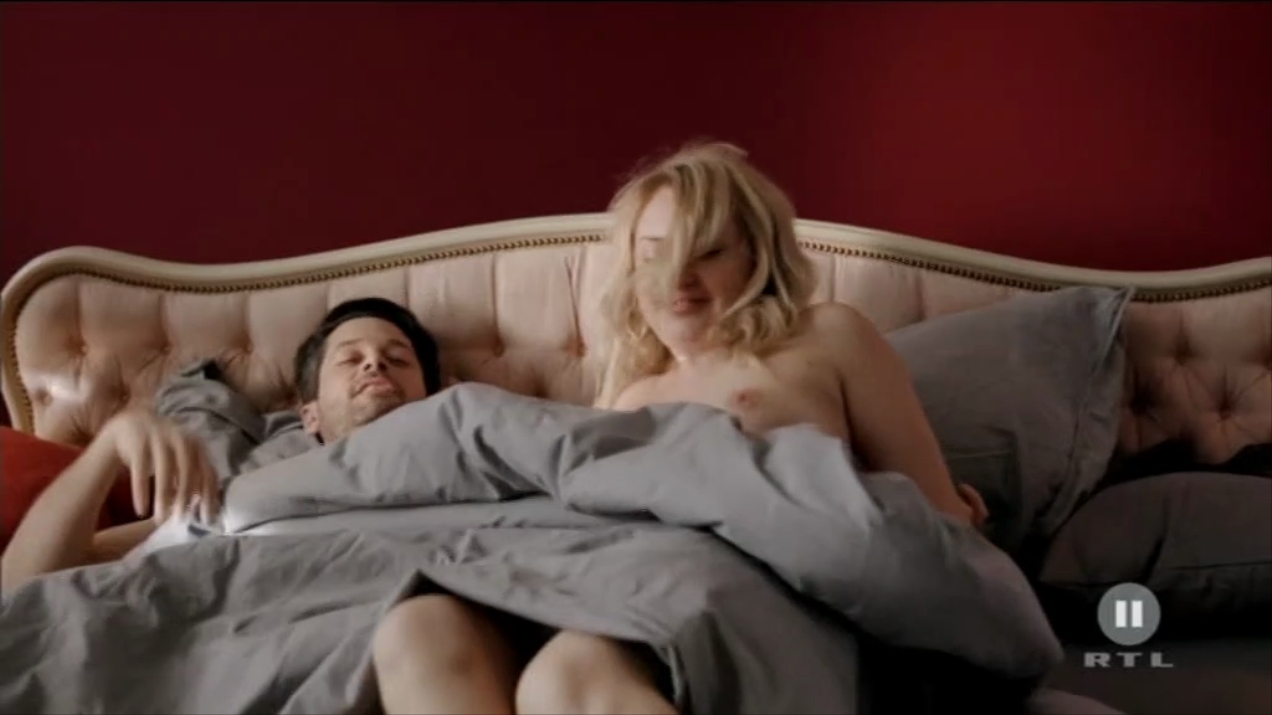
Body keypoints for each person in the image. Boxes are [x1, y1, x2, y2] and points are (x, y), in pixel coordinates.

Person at [0, 296, 672, 715]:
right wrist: (108, 446)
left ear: (435, 396)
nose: (375, 366)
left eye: (397, 359)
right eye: (351, 359)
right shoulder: (240, 495)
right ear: (310, 414)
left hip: (429, 628)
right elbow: (26, 587)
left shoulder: (490, 449)